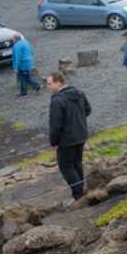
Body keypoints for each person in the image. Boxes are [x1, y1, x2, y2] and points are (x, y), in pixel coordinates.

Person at [47, 71, 91, 200]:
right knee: (77, 163)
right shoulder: (79, 93)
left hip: (66, 140)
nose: (48, 87)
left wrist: (54, 142)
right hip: (81, 135)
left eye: (49, 84)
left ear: (58, 82)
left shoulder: (57, 100)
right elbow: (88, 110)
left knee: (66, 166)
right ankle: (81, 190)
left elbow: (56, 125)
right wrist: (78, 121)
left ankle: (79, 194)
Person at [12, 32, 41, 96]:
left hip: (22, 65)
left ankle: (26, 91)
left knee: (23, 78)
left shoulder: (17, 46)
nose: (12, 40)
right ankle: (35, 86)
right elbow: (31, 51)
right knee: (26, 78)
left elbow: (17, 57)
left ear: (15, 39)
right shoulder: (26, 42)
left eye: (13, 39)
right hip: (28, 63)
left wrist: (16, 67)